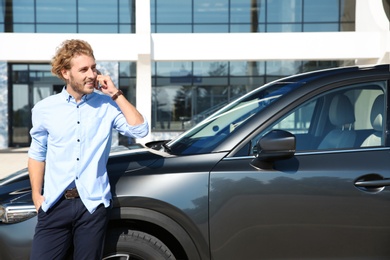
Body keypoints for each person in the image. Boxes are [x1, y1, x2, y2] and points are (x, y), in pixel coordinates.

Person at [28, 39, 149, 259]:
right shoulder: (44, 109)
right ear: (66, 73)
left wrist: (115, 93)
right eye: (84, 69)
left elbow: (140, 130)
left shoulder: (107, 105)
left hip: (92, 206)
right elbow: (37, 153)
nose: (92, 74)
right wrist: (37, 195)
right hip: (55, 204)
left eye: (93, 67)